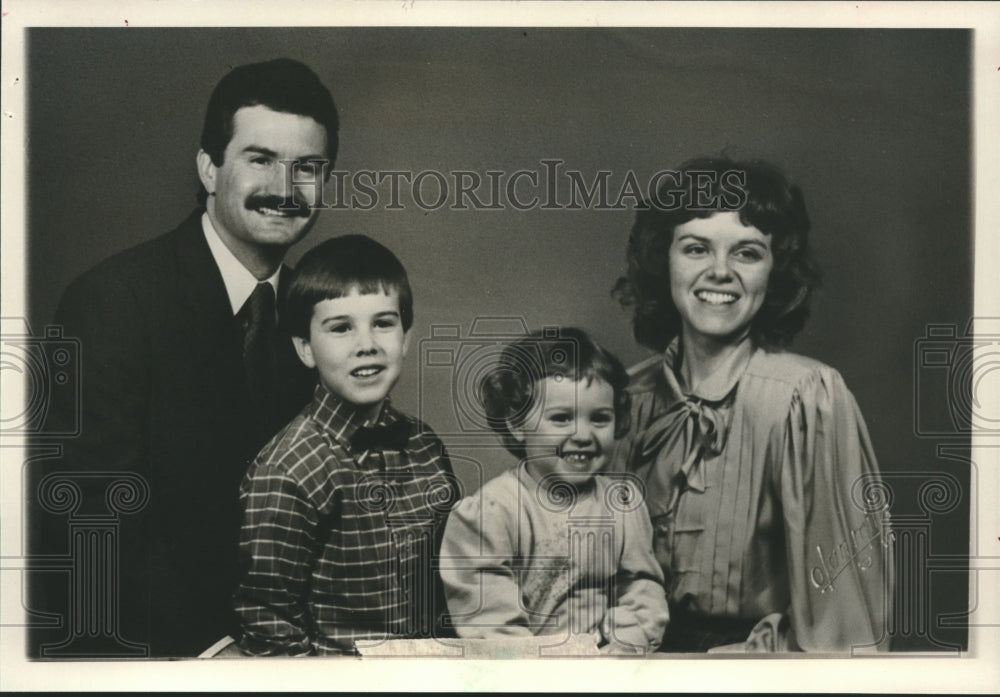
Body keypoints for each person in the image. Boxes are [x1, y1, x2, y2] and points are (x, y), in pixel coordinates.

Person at [29, 58, 339, 657]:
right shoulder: (112, 302)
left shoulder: (320, 316)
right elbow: (94, 523)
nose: (284, 188)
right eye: (260, 159)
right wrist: (214, 654)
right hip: (150, 657)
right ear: (208, 167)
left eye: (308, 168)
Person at [611, 156, 893, 653]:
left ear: (775, 270)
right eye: (696, 248)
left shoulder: (807, 400)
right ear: (664, 260)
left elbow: (846, 627)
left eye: (747, 253)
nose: (719, 272)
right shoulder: (625, 400)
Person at [234, 235, 458, 656]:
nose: (366, 344)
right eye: (341, 328)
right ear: (305, 348)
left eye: (384, 323)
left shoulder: (426, 445)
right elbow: (271, 628)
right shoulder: (287, 472)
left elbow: (453, 584)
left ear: (406, 337)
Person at [440, 328, 669, 654]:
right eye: (562, 418)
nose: (583, 435)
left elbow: (641, 588)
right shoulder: (491, 512)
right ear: (517, 424)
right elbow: (488, 619)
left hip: (606, 668)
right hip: (524, 676)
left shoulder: (622, 503)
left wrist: (625, 644)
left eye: (600, 419)